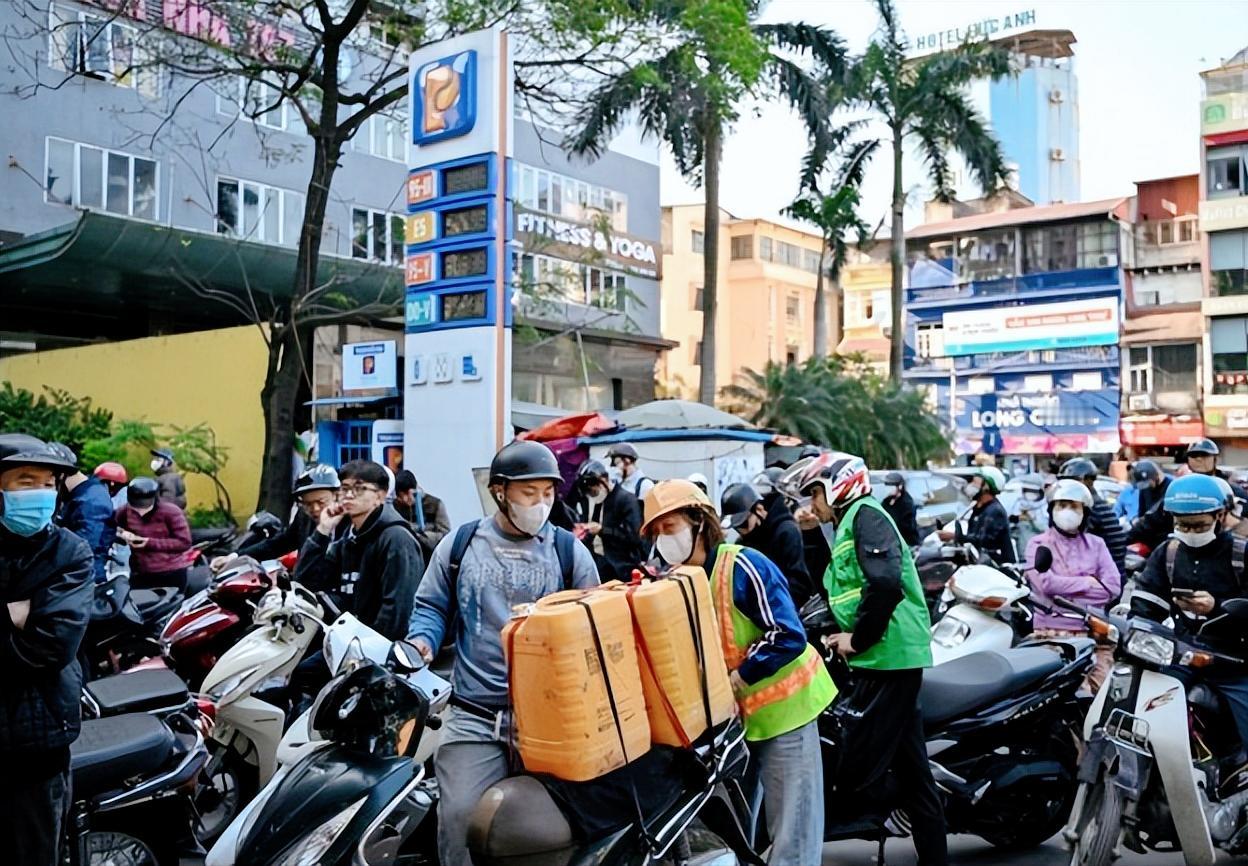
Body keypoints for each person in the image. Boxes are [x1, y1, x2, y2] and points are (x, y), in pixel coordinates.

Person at [406, 440, 598, 866]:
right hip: (475, 716)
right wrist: (422, 640)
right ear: (500, 492)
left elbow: (595, 626)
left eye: (548, 494)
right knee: (458, 819)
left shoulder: (569, 552)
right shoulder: (460, 546)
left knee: (548, 830)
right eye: (529, 494)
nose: (541, 504)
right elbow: (432, 606)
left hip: (550, 721)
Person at [644, 479, 833, 865]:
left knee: (794, 833)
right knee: (743, 833)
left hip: (787, 712)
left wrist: (739, 676)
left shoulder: (743, 565)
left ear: (699, 523)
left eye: (671, 528)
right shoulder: (677, 583)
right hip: (737, 727)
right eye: (658, 533)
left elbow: (787, 634)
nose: (665, 540)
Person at [795, 452, 946, 866]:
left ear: (839, 485)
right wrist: (810, 534)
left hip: (889, 657)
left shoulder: (867, 515)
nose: (812, 503)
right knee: (912, 770)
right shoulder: (848, 524)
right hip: (879, 659)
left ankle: (889, 820)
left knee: (860, 764)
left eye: (816, 492)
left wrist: (857, 641)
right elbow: (832, 587)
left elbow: (884, 584)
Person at [0, 434, 93, 864]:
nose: (40, 492)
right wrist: (13, 615)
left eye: (48, 482)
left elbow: (51, 646)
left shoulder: (69, 552)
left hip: (38, 745)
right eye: (25, 481)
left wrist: (31, 622)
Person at [1131, 474, 1248, 755]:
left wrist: (1217, 607)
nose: (1189, 531)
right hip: (1181, 654)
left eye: (1198, 525)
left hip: (1235, 661)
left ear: (1220, 515)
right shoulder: (1168, 552)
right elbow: (1146, 598)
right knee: (1143, 712)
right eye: (1182, 524)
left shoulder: (1241, 554)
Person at [294, 459, 422, 640]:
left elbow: (397, 611)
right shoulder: (350, 537)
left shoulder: (396, 539)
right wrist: (322, 530)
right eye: (345, 488)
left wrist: (364, 650)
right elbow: (306, 585)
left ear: (380, 496)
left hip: (377, 650)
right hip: (346, 639)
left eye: (360, 488)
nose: (349, 495)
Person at [1023, 479, 1121, 691]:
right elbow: (1045, 584)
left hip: (1091, 635)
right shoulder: (1038, 544)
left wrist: (1064, 587)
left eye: (1074, 506)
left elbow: (1112, 588)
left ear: (1084, 512)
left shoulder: (1097, 544)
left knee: (1099, 697)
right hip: (1048, 635)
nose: (1067, 511)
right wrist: (1087, 582)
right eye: (1062, 505)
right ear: (1052, 510)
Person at [210, 464, 340, 571]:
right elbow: (278, 544)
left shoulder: (350, 524)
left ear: (336, 495)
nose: (315, 509)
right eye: (308, 504)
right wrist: (233, 558)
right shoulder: (303, 518)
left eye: (321, 502)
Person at [721, 482, 814, 607]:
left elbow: (799, 584)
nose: (742, 531)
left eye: (743, 524)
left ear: (759, 509)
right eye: (736, 527)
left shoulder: (786, 532)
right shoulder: (743, 543)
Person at [47, 443, 116, 584]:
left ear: (60, 474)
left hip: (84, 580)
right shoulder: (78, 495)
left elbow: (83, 548)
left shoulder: (92, 501)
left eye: (48, 481)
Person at [567, 459, 643, 581]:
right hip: (600, 563)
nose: (592, 495)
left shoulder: (626, 500)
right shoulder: (600, 501)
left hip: (622, 566)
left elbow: (635, 537)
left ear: (604, 481)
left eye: (593, 491)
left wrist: (602, 530)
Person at [115, 477, 193, 591]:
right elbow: (111, 528)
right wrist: (122, 534)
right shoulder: (124, 512)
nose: (140, 512)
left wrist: (149, 543)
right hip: (140, 573)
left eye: (145, 507)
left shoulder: (171, 512)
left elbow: (184, 542)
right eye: (136, 508)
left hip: (170, 572)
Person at [1058, 457, 1127, 577]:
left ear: (1088, 481)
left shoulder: (1089, 508)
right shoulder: (1095, 504)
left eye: (1072, 481)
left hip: (1103, 581)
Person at [938, 465, 1016, 565]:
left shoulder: (994, 511)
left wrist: (955, 536)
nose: (970, 485)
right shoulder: (978, 508)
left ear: (986, 487)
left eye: (975, 482)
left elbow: (983, 540)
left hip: (996, 566)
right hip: (980, 563)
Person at [393, 469, 451, 560]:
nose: (405, 499)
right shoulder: (395, 507)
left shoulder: (434, 504)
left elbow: (445, 536)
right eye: (401, 496)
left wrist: (421, 535)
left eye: (408, 494)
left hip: (429, 558)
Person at [880, 472, 920, 547]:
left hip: (906, 543)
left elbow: (906, 527)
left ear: (900, 486)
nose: (888, 489)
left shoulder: (907, 503)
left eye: (891, 486)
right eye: (886, 485)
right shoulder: (886, 501)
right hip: (891, 543)